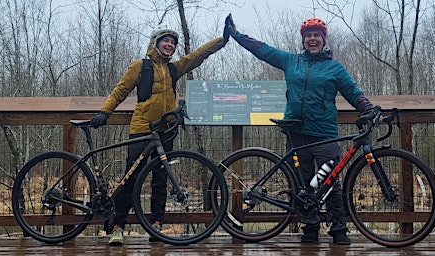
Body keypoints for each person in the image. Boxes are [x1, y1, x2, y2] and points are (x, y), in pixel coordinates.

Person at [224, 15, 373, 245]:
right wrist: (236, 35)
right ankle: (310, 227)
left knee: (329, 182)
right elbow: (263, 50)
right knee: (303, 184)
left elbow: (353, 92)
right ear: (303, 40)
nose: (312, 39)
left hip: (324, 132)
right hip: (295, 131)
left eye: (317, 36)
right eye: (308, 36)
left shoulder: (335, 68)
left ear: (324, 40)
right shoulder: (291, 61)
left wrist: (369, 109)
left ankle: (338, 229)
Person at [90, 20, 233, 245]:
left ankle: (156, 225)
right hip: (142, 130)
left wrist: (222, 40)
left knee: (160, 179)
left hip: (165, 131)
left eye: (173, 43)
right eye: (165, 41)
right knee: (132, 177)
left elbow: (197, 56)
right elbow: (120, 90)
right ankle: (117, 226)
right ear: (155, 43)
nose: (170, 45)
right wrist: (104, 112)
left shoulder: (173, 68)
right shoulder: (141, 66)